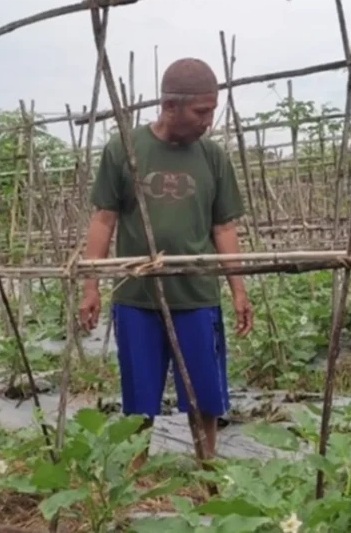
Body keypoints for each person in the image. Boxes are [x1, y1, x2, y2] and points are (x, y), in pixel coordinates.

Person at [78, 57, 253, 463]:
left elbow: (223, 228)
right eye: (201, 112)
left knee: (204, 396)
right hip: (137, 297)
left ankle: (207, 470)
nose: (208, 121)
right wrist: (90, 286)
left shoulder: (212, 157)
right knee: (139, 398)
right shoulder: (125, 149)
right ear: (170, 106)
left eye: (212, 110)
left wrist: (238, 289)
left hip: (196, 296)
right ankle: (135, 477)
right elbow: (103, 219)